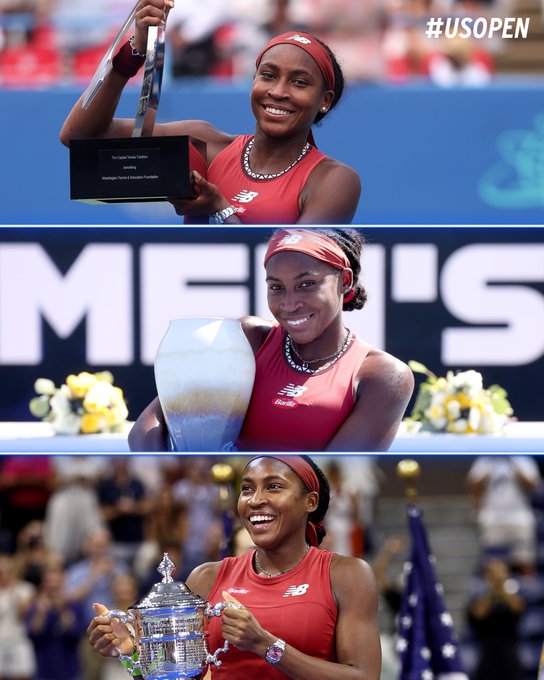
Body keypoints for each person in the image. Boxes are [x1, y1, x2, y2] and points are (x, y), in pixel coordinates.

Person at [59, 0, 361, 225]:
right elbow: (79, 137)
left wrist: (219, 207)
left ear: (325, 100)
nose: (278, 91)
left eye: (299, 82)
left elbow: (295, 268)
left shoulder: (333, 180)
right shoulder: (206, 144)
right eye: (268, 75)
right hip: (193, 310)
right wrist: (135, 51)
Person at [87, 454, 382, 679]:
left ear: (310, 501)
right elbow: (182, 674)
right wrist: (135, 655)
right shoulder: (207, 577)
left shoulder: (347, 574)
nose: (255, 500)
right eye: (247, 489)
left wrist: (267, 646)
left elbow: (365, 676)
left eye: (274, 487)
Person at [128, 228, 414, 452]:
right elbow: (147, 428)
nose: (289, 304)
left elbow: (330, 480)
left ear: (345, 281)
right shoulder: (247, 339)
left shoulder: (384, 376)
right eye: (276, 287)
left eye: (306, 284)